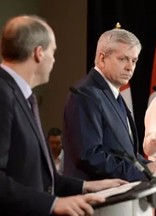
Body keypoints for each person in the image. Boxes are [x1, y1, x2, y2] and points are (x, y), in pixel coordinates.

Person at [0, 15, 128, 216]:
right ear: (39, 53)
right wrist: (52, 204)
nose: (54, 59)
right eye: (53, 52)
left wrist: (85, 186)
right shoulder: (3, 94)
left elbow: (39, 174)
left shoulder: (21, 95)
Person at [63, 28, 156, 182]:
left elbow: (126, 154)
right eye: (123, 59)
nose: (130, 67)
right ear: (102, 59)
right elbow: (90, 156)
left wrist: (151, 165)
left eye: (134, 61)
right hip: (93, 199)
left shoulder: (112, 95)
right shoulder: (85, 94)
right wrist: (144, 172)